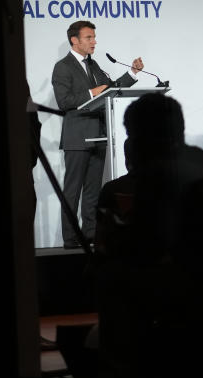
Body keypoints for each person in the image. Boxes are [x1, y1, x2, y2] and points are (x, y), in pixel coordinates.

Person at [91, 93, 203, 378]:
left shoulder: (159, 174)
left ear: (142, 139)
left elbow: (146, 248)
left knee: (110, 278)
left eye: (132, 136)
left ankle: (127, 375)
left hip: (202, 292)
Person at [51, 20, 143, 249]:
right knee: (72, 191)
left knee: (93, 191)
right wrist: (92, 92)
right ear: (75, 40)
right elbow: (65, 102)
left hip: (98, 135)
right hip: (77, 137)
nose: (94, 42)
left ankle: (90, 234)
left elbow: (110, 89)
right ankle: (71, 239)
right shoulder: (62, 66)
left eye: (94, 37)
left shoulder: (94, 65)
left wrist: (131, 73)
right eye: (89, 37)